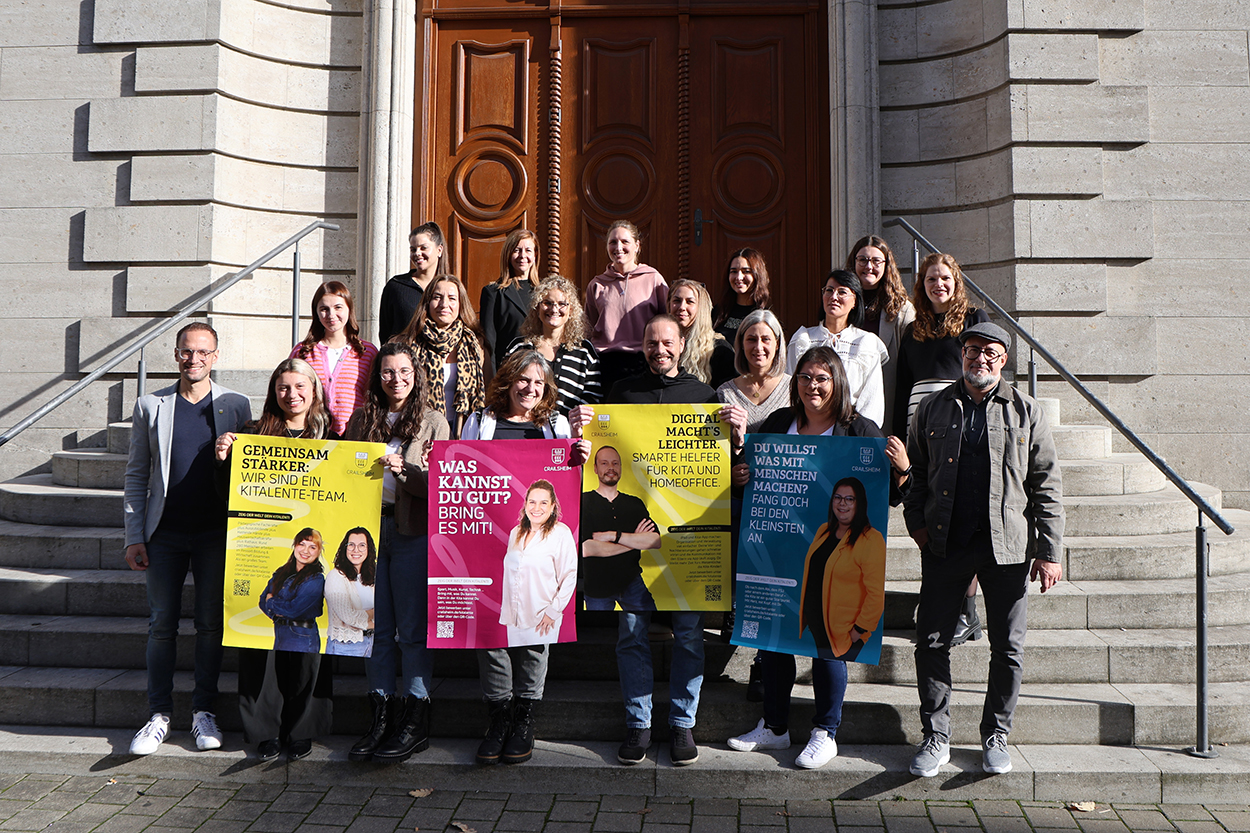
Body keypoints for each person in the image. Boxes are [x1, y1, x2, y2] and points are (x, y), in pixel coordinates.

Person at [726, 346, 908, 770]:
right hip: (779, 549)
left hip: (838, 554)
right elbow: (746, 484)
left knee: (830, 644)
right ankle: (774, 727)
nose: (813, 386)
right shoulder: (777, 423)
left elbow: (890, 497)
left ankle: (826, 732)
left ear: (838, 383)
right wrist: (740, 474)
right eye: (805, 377)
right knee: (773, 641)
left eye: (822, 378)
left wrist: (903, 469)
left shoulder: (859, 430)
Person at [570, 314, 733, 769]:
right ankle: (638, 724)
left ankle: (683, 725)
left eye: (667, 342)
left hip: (686, 541)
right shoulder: (621, 395)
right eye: (651, 342)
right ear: (641, 346)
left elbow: (723, 463)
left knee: (688, 636)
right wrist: (579, 425)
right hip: (635, 542)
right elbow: (596, 456)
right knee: (633, 634)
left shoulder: (705, 398)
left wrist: (733, 428)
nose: (659, 349)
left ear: (682, 345)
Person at [904, 321, 1064, 778]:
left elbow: (1046, 485)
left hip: (1008, 549)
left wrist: (1049, 551)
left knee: (1007, 648)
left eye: (990, 353)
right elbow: (914, 474)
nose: (980, 359)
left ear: (1004, 359)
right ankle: (936, 736)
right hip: (945, 545)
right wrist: (917, 525)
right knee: (931, 641)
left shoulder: (1026, 411)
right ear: (962, 354)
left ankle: (996, 734)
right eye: (972, 350)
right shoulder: (934, 408)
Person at [123, 321, 252, 756]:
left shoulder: (236, 405)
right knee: (161, 625)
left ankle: (202, 711)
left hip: (217, 533)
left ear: (216, 356)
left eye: (202, 352)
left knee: (210, 626)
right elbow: (136, 473)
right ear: (176, 354)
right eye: (185, 351)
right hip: (164, 534)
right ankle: (158, 714)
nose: (193, 359)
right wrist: (133, 535)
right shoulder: (150, 405)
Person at [461, 350, 584, 766]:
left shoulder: (556, 426)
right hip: (489, 543)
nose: (530, 389)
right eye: (522, 380)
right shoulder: (481, 422)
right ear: (507, 381)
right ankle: (498, 715)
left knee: (535, 634)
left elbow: (569, 484)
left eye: (539, 383)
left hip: (540, 544)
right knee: (491, 633)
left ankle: (525, 716)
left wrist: (578, 459)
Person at [214, 358, 336, 762]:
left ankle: (301, 730)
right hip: (261, 551)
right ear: (273, 392)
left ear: (314, 391)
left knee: (307, 654)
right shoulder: (252, 435)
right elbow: (227, 495)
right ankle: (264, 732)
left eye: (300, 386)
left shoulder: (335, 437)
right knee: (258, 650)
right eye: (283, 387)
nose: (292, 395)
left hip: (313, 550)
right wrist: (225, 459)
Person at [344, 341, 450, 763]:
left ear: (416, 375)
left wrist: (404, 470)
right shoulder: (360, 419)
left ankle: (415, 719)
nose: (396, 379)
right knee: (375, 631)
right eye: (388, 372)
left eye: (404, 371)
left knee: (412, 630)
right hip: (366, 537)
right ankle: (381, 714)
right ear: (377, 377)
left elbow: (442, 487)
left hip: (412, 533)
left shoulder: (433, 422)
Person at [893, 253, 990, 648]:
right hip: (921, 437)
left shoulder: (973, 320)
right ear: (922, 284)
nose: (939, 284)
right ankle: (938, 597)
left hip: (961, 432)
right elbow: (902, 388)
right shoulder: (914, 329)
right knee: (930, 515)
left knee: (961, 519)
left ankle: (967, 612)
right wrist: (899, 435)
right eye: (931, 278)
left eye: (945, 278)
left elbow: (988, 372)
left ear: (956, 281)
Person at [715, 308, 790, 686]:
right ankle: (733, 620)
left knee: (772, 583)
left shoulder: (795, 386)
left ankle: (764, 662)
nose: (758, 346)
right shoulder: (725, 391)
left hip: (783, 503)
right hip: (740, 499)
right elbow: (712, 453)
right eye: (750, 339)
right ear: (740, 344)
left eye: (766, 339)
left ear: (778, 345)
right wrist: (732, 468)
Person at [786, 270, 889, 428]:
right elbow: (790, 388)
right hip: (808, 428)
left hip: (850, 430)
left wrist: (857, 432)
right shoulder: (803, 339)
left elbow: (872, 400)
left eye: (842, 292)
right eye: (829, 290)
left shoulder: (865, 342)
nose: (833, 297)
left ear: (855, 300)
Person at [398, 274, 486, 438]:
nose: (444, 304)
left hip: (464, 430)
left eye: (452, 298)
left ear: (460, 304)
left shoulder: (476, 345)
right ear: (427, 303)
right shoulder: (408, 345)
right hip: (419, 430)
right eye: (437, 297)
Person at [844, 235, 915, 437]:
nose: (869, 266)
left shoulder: (902, 310)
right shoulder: (840, 302)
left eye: (876, 261)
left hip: (887, 400)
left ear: (886, 265)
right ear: (853, 263)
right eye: (863, 260)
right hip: (845, 399)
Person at [584, 219, 668, 388]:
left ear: (637, 245)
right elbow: (588, 328)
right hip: (605, 363)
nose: (618, 247)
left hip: (643, 361)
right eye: (613, 242)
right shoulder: (597, 284)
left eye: (625, 242)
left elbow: (667, 321)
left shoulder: (653, 279)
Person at [291, 281, 379, 437]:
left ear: (349, 309)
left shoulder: (367, 352)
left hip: (355, 436)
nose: (331, 315)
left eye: (338, 307)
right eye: (324, 309)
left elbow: (374, 396)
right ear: (316, 313)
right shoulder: (302, 352)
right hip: (312, 436)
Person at [505, 275, 602, 414]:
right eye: (547, 303)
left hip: (569, 432)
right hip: (526, 431)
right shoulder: (520, 347)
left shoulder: (584, 352)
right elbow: (505, 389)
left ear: (571, 311)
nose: (554, 309)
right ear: (537, 308)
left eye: (562, 303)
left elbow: (593, 398)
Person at [480, 229, 541, 372]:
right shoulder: (493, 293)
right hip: (509, 372)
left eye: (528, 250)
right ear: (508, 254)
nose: (522, 256)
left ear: (535, 255)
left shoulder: (544, 292)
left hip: (540, 373)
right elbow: (489, 343)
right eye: (517, 250)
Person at [379, 221, 448, 344]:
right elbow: (385, 333)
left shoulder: (450, 288)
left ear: (439, 250)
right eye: (413, 249)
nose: (417, 253)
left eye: (423, 248)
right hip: (405, 360)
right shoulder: (396, 286)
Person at [259, 529, 327, 654]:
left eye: (312, 547)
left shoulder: (316, 579)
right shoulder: (282, 572)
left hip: (302, 636)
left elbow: (293, 609)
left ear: (318, 552)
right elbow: (262, 600)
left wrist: (272, 603)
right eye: (302, 544)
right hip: (280, 633)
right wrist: (276, 615)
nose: (305, 551)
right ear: (295, 545)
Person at [669, 278, 736, 388]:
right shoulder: (661, 346)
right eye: (676, 301)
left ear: (701, 308)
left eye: (690, 302)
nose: (682, 307)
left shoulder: (719, 350)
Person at [324, 528, 377, 657]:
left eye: (362, 545)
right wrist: (374, 615)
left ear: (369, 549)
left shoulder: (373, 576)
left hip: (372, 643)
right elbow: (349, 617)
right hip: (345, 646)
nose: (356, 550)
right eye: (351, 545)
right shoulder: (336, 576)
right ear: (344, 548)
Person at [713, 248, 771, 346]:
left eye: (746, 271)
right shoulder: (717, 313)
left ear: (757, 275)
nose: (739, 277)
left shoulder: (764, 317)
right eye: (734, 271)